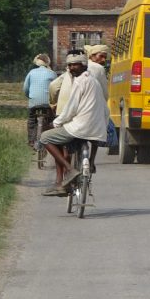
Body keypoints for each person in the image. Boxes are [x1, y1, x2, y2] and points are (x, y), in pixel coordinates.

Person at [40, 53, 108, 196]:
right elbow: (104, 109)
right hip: (97, 129)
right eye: (69, 65)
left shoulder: (79, 81)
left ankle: (69, 170)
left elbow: (71, 108)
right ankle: (90, 163)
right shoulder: (94, 82)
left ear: (83, 65)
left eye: (75, 64)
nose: (71, 68)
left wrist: (56, 122)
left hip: (80, 127)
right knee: (63, 139)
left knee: (45, 137)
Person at [23, 54, 56, 150]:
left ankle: (31, 141)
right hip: (48, 103)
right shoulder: (52, 73)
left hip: (33, 102)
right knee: (51, 119)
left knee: (32, 120)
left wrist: (29, 96)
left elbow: (25, 88)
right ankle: (51, 140)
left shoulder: (31, 72)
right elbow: (56, 88)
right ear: (48, 62)